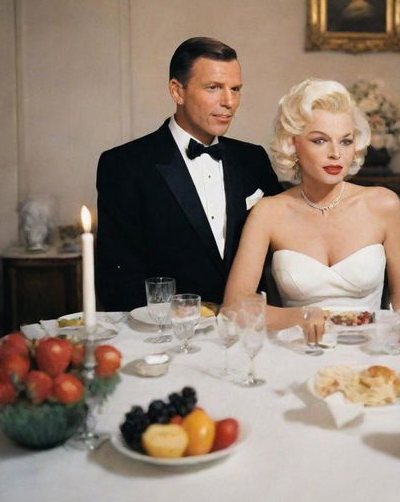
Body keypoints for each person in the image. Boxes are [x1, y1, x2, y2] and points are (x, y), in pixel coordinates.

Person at [223, 78, 400, 348]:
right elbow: (234, 306)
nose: (335, 153)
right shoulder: (268, 212)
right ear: (293, 144)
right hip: (298, 351)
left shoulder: (384, 204)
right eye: (320, 140)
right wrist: (299, 316)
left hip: (371, 350)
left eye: (345, 141)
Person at [96, 37, 283, 311]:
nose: (229, 102)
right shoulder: (124, 164)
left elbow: (288, 238)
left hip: (246, 331)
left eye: (235, 89)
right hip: (167, 338)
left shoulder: (252, 159)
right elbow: (118, 278)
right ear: (177, 91)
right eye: (213, 88)